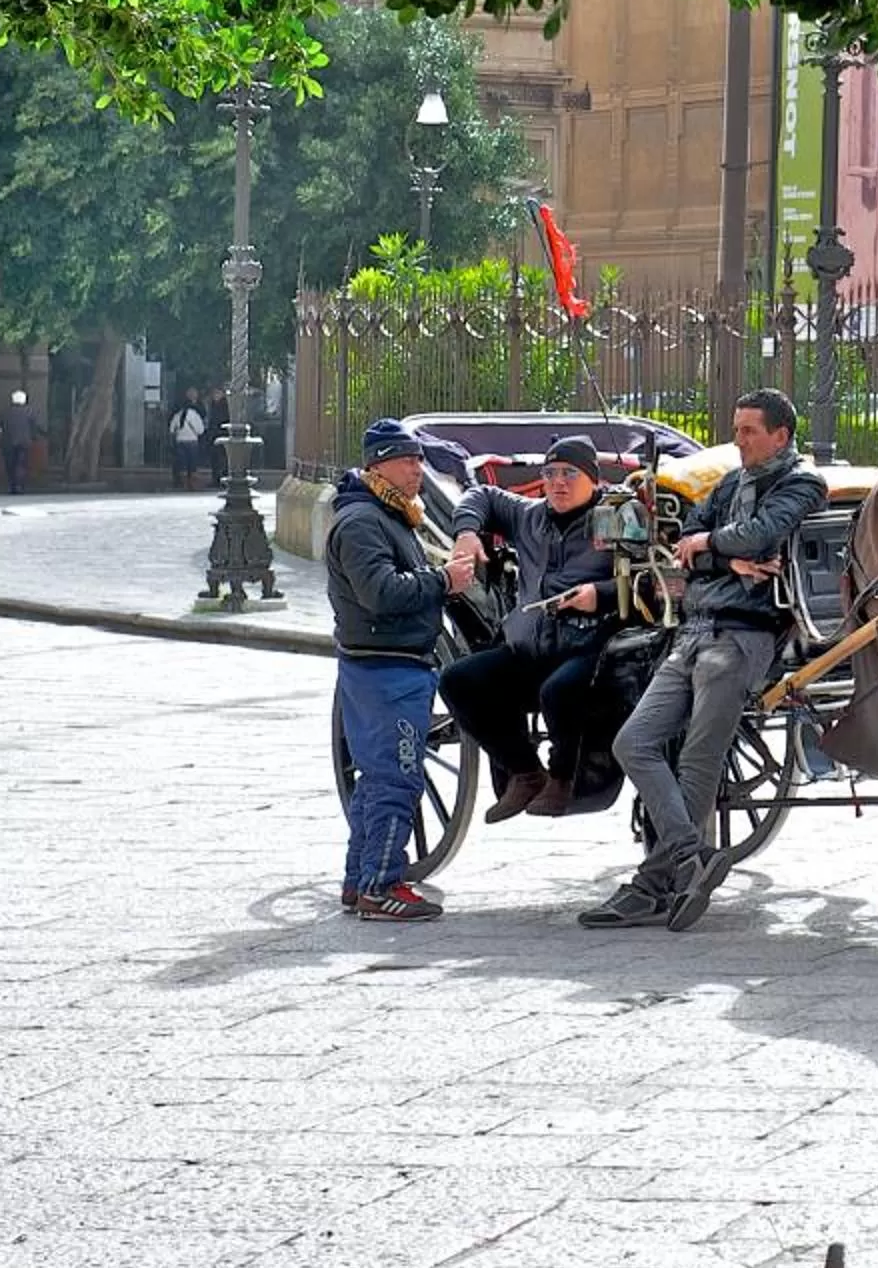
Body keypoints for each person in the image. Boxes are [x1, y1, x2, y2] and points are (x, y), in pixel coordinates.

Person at [585, 388, 825, 932]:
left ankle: (654, 882)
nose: (737, 439)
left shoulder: (803, 483)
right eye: (736, 428)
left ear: (780, 436)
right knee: (633, 743)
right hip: (692, 631)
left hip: (744, 637)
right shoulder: (730, 483)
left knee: (698, 761)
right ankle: (695, 855)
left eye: (748, 431)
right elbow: (685, 543)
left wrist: (713, 549)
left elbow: (761, 535)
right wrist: (725, 555)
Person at [329, 417, 475, 921]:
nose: (418, 469)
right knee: (398, 776)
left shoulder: (382, 514)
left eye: (418, 459)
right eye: (408, 460)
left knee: (376, 777)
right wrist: (443, 580)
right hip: (387, 667)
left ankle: (358, 879)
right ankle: (382, 885)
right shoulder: (363, 523)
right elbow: (381, 593)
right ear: (379, 465)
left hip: (385, 663)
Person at [438, 436, 627, 823]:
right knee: (458, 680)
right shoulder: (529, 516)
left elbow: (648, 580)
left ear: (592, 478)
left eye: (570, 474)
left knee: (558, 691)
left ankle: (563, 777)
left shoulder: (616, 515)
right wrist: (467, 531)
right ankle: (525, 772)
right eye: (550, 473)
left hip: (590, 647)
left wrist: (601, 594)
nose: (558, 482)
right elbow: (483, 496)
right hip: (530, 647)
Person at [0, 390, 42, 496]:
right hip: (24, 442)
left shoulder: (5, 412)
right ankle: (19, 485)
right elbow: (35, 426)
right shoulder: (30, 411)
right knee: (21, 463)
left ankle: (12, 485)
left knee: (10, 464)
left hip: (8, 442)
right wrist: (35, 437)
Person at [170, 390, 207, 488]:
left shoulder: (177, 415)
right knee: (192, 464)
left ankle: (183, 483)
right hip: (192, 441)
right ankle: (192, 484)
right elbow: (200, 430)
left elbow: (172, 429)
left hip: (180, 441)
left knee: (183, 464)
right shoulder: (194, 414)